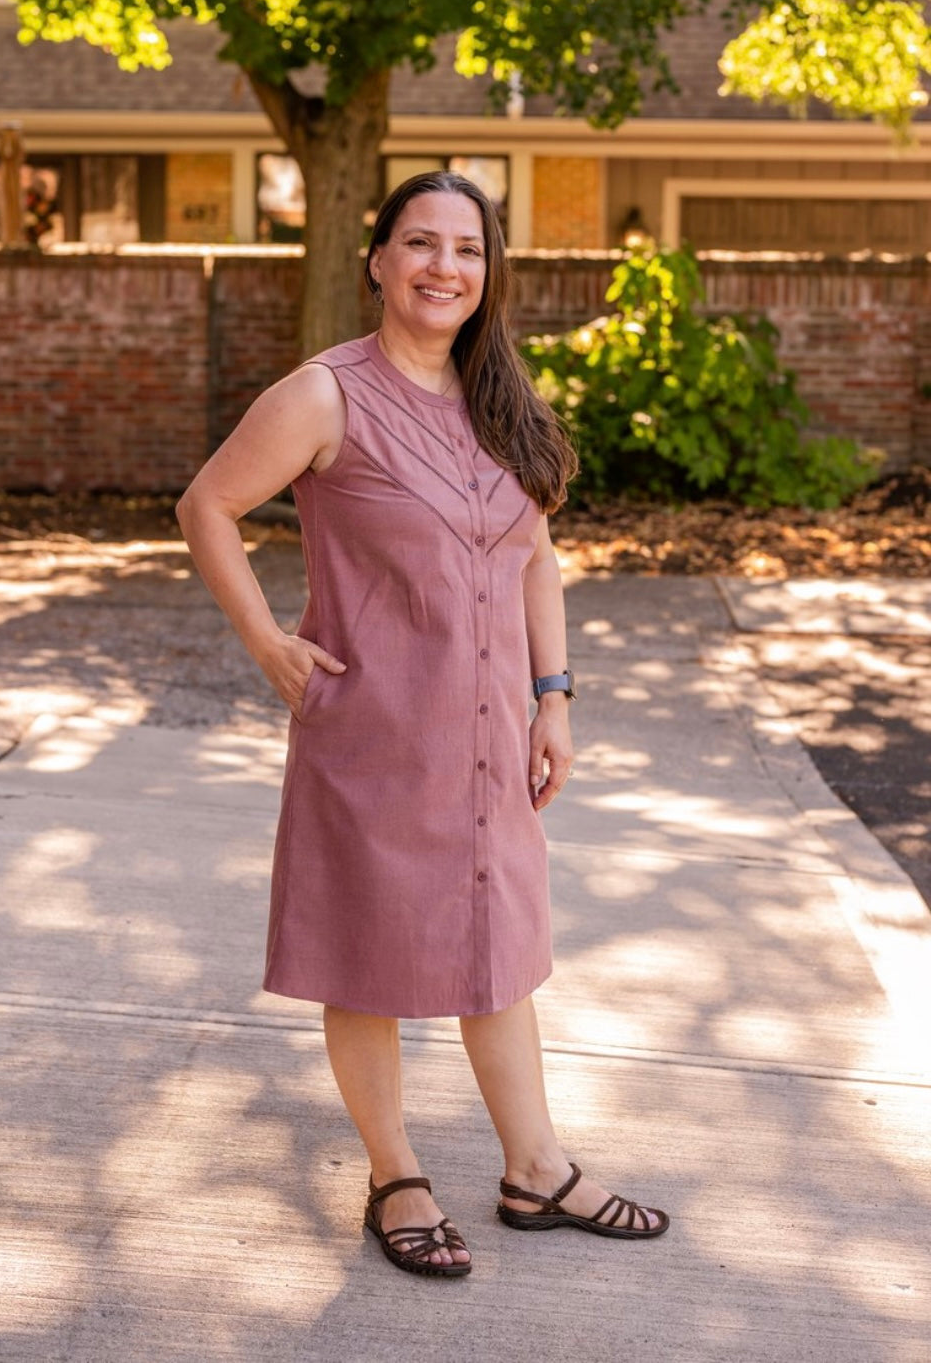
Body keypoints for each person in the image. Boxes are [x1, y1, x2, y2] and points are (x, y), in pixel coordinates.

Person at [176, 170, 669, 1279]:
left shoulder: (501, 397)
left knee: (500, 949)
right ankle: (394, 1169)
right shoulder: (322, 396)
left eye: (468, 249)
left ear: (489, 272)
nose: (445, 266)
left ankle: (533, 1167)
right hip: (373, 734)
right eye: (421, 244)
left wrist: (556, 695)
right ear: (377, 260)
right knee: (370, 953)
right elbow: (206, 503)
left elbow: (534, 554)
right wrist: (266, 639)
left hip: (496, 734)